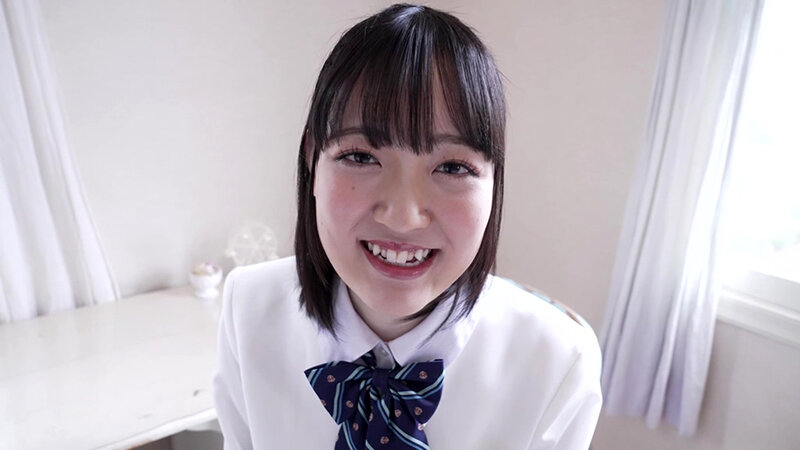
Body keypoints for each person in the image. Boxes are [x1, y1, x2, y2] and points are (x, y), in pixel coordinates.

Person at [212, 4, 602, 449]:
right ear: (312, 160)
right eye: (360, 157)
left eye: (452, 167)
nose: (402, 217)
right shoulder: (248, 307)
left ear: (495, 181)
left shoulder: (558, 362)